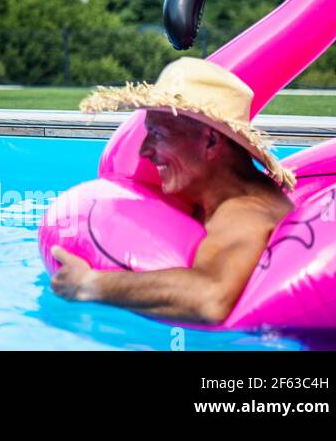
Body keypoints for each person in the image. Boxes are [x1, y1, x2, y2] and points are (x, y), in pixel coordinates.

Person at [50, 57, 296, 325]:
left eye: (157, 133)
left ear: (210, 141)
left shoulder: (244, 213)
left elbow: (209, 300)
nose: (144, 151)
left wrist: (90, 284)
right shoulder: (220, 199)